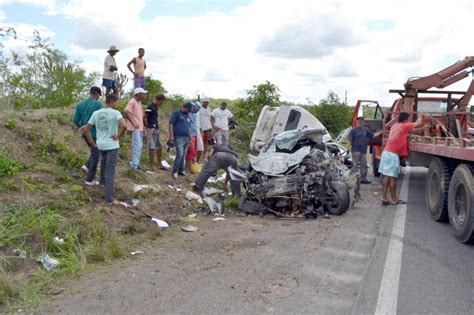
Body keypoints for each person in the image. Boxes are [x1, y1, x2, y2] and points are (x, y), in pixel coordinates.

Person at [83, 94, 127, 205]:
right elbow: (125, 126)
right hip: (112, 145)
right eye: (117, 102)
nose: (117, 104)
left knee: (103, 163)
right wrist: (119, 136)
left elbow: (87, 130)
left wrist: (93, 144)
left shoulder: (96, 113)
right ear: (113, 102)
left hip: (101, 145)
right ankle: (109, 199)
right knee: (110, 171)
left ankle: (102, 183)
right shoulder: (115, 113)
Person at [379, 112, 426, 205]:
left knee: (387, 176)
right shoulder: (404, 126)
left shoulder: (395, 126)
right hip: (393, 155)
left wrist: (422, 129)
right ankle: (394, 199)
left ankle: (384, 197)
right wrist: (420, 116)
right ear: (405, 119)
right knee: (393, 178)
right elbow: (417, 123)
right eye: (408, 119)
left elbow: (410, 131)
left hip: (386, 153)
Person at [72, 86, 103, 185]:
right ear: (96, 94)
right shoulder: (98, 105)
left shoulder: (80, 104)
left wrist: (82, 128)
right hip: (94, 133)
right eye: (99, 95)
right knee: (96, 155)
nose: (99, 97)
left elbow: (75, 120)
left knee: (95, 152)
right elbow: (100, 120)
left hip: (85, 133)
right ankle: (90, 179)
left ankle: (86, 166)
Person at [348, 117, 382, 184]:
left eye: (361, 121)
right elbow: (349, 140)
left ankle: (363, 179)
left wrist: (381, 131)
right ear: (357, 122)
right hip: (356, 150)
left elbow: (373, 135)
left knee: (364, 165)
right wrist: (349, 149)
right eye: (359, 121)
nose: (360, 122)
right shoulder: (353, 130)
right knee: (354, 165)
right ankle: (353, 180)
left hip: (363, 151)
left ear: (363, 122)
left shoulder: (365, 130)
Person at [125, 87, 147, 170]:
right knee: (137, 146)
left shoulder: (139, 102)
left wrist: (143, 128)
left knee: (138, 146)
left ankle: (136, 163)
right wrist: (133, 122)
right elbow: (126, 112)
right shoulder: (132, 101)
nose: (144, 94)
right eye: (143, 93)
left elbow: (139, 117)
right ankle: (134, 165)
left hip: (139, 128)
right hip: (135, 128)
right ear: (138, 94)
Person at [169, 102, 193, 179]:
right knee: (180, 153)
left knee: (183, 154)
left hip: (186, 138)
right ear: (185, 107)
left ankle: (181, 170)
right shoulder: (177, 113)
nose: (189, 111)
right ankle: (175, 171)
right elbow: (171, 124)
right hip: (178, 137)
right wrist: (171, 136)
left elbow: (189, 128)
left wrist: (190, 138)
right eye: (188, 110)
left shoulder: (187, 116)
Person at [145, 94, 167, 171]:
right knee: (152, 147)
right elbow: (144, 117)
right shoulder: (150, 107)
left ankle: (159, 164)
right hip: (150, 129)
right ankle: (151, 165)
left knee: (159, 146)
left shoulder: (156, 107)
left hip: (156, 128)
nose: (161, 104)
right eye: (161, 102)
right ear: (158, 100)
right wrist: (146, 127)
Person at [185, 102, 200, 174]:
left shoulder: (195, 114)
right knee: (189, 152)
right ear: (193, 107)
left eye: (198, 110)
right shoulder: (188, 113)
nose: (196, 111)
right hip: (190, 135)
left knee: (193, 152)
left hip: (195, 134)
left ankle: (190, 168)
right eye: (196, 109)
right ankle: (186, 169)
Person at [198, 97, 212, 162]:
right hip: (200, 127)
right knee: (200, 141)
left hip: (207, 127)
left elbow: (209, 118)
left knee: (206, 142)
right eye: (205, 102)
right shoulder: (199, 108)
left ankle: (204, 156)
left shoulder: (209, 109)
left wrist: (210, 128)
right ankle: (198, 156)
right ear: (203, 102)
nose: (206, 103)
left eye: (207, 102)